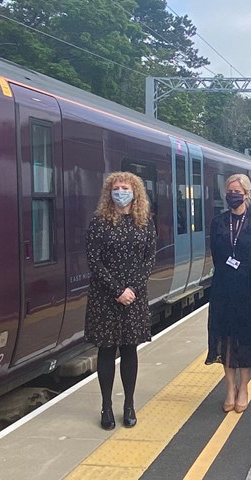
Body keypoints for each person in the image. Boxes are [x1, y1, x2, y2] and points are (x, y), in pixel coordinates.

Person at [84, 171, 157, 430]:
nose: (120, 192)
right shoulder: (99, 222)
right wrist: (117, 291)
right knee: (106, 351)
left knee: (129, 350)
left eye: (125, 187)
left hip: (134, 297)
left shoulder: (145, 223)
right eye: (115, 188)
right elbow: (94, 261)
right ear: (109, 193)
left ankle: (128, 405)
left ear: (135, 192)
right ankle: (106, 406)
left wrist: (132, 290)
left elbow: (149, 259)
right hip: (106, 297)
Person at [206, 173, 251, 414]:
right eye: (229, 191)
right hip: (223, 290)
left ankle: (244, 387)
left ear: (246, 194)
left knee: (247, 337)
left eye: (237, 191)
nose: (233, 195)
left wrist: (250, 278)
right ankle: (229, 387)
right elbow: (216, 253)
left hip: (250, 290)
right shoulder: (219, 222)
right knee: (226, 338)